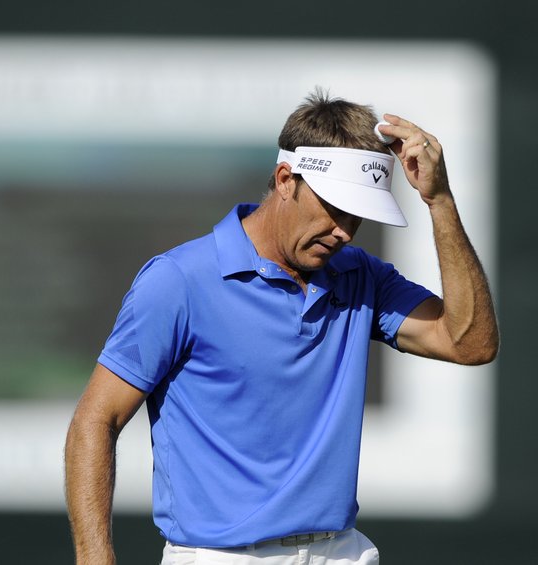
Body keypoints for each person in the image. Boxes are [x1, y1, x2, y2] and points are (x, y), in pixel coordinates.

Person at [63, 90, 499, 565]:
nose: (345, 231)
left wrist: (439, 202)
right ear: (286, 179)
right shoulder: (178, 280)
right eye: (335, 208)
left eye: (357, 215)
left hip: (342, 553)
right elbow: (95, 420)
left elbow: (470, 343)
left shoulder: (362, 276)